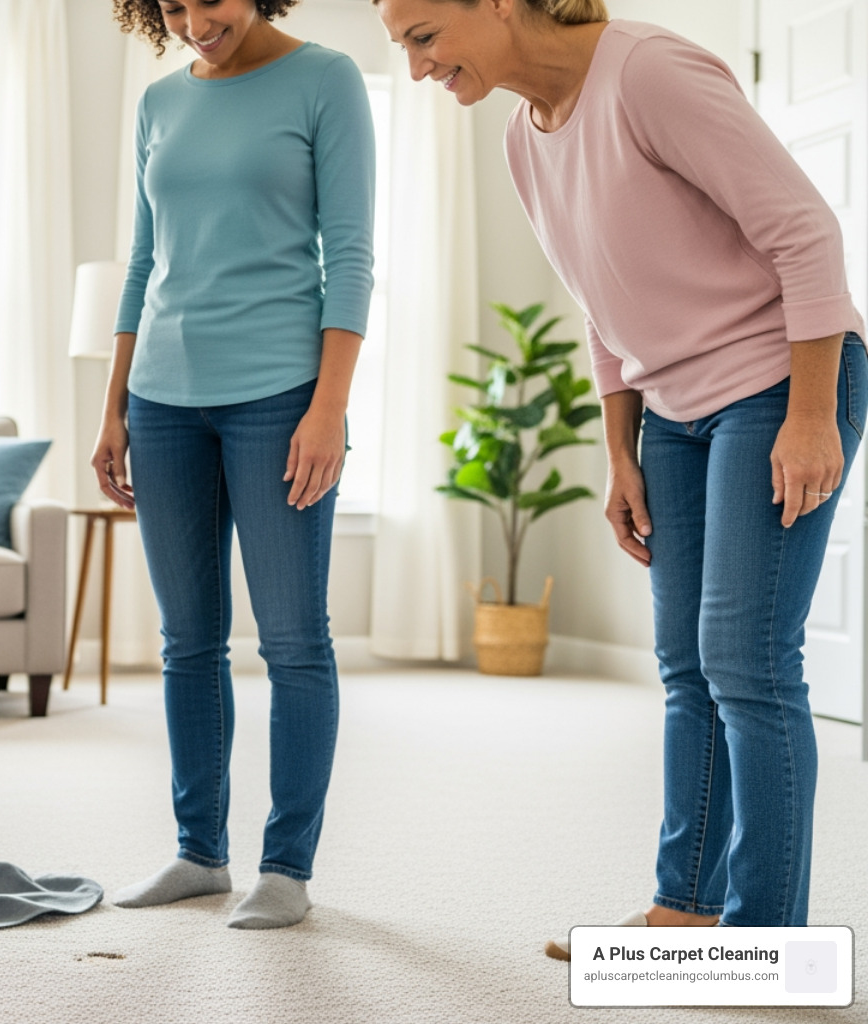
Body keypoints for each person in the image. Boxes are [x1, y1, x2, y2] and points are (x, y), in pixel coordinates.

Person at [374, 0, 868, 951]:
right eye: (401, 47)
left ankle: (765, 942)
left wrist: (813, 416)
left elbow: (807, 234)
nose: (417, 70)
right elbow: (602, 300)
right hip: (672, 410)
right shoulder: (524, 138)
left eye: (424, 38)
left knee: (749, 665)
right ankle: (685, 906)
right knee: (686, 664)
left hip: (779, 377)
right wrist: (620, 451)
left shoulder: (647, 72)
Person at [95, 0, 375, 929]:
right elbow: (143, 261)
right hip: (163, 397)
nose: (191, 21)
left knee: (294, 639)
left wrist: (328, 407)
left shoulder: (325, 78)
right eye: (169, 6)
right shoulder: (158, 102)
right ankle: (198, 853)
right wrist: (114, 406)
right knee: (187, 640)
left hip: (280, 395)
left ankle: (287, 867)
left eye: (206, 1)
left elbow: (351, 256)